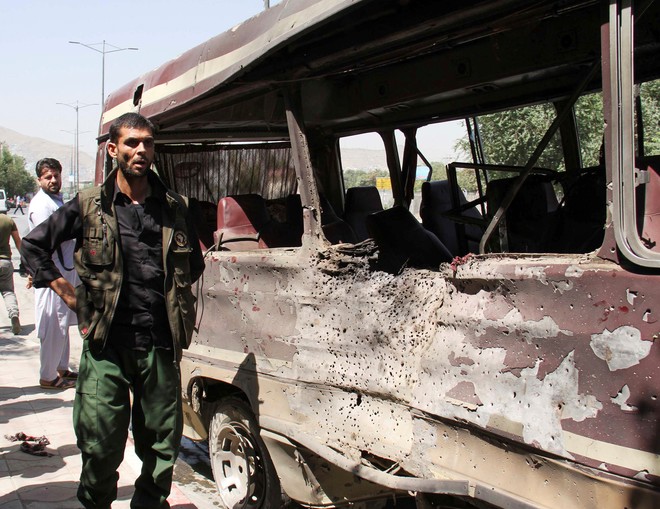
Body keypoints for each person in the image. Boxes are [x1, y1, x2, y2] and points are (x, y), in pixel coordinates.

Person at [21, 112, 205, 509]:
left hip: (158, 344)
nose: (141, 150)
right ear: (113, 149)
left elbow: (194, 267)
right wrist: (67, 294)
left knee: (161, 448)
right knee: (100, 445)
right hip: (106, 345)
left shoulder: (174, 207)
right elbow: (34, 246)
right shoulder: (90, 205)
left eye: (148, 143)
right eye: (131, 143)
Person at [27, 158, 79, 390]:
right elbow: (45, 240)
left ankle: (61, 368)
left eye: (56, 175)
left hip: (64, 271)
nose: (53, 180)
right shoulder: (41, 205)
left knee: (63, 323)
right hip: (52, 274)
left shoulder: (56, 201)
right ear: (39, 180)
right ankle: (48, 376)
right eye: (48, 177)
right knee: (53, 324)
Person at [0, 211, 22, 334]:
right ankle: (14, 314)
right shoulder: (8, 220)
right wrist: (25, 260)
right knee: (8, 292)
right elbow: (18, 241)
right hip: (5, 262)